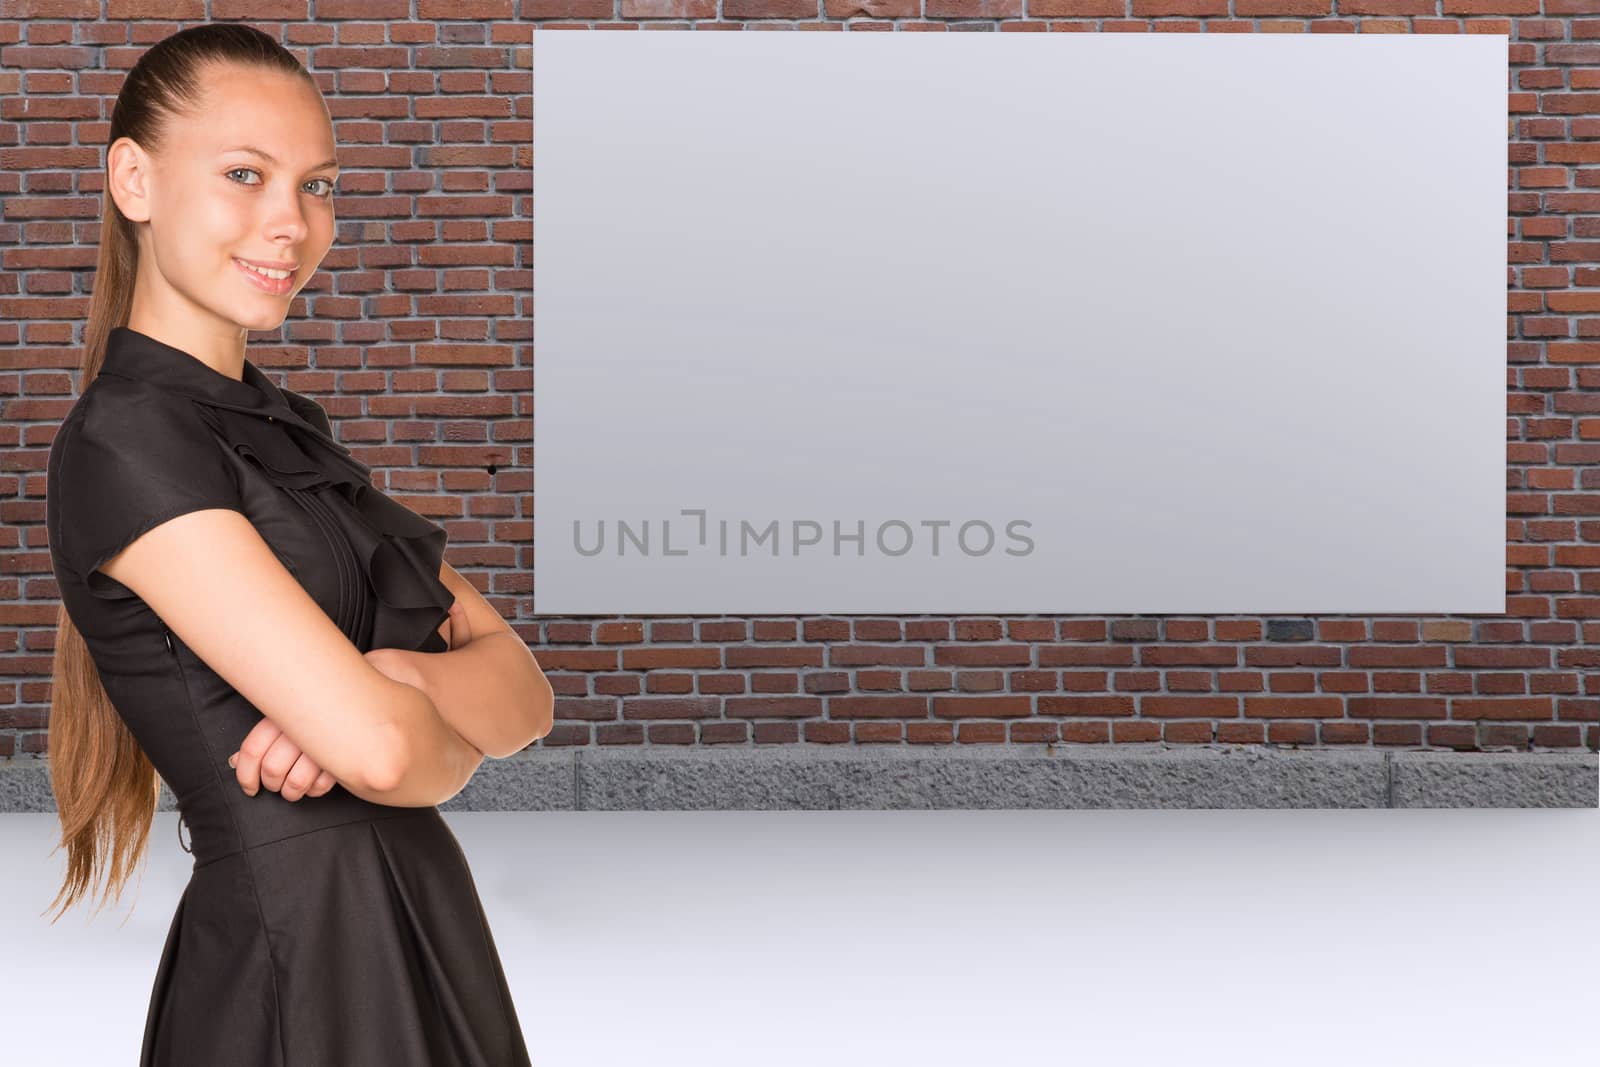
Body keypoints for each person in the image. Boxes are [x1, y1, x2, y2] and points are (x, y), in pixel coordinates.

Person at [43, 24, 552, 1067]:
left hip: (411, 923)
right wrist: (405, 731)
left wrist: (395, 677)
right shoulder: (128, 441)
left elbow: (525, 691)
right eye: (245, 174)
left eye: (317, 185)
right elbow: (388, 751)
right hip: (300, 956)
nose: (292, 224)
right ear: (133, 180)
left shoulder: (285, 431)